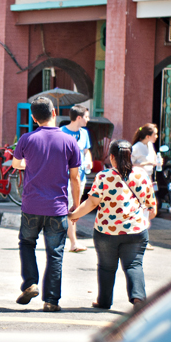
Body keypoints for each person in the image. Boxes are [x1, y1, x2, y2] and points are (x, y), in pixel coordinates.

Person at [12, 96, 82, 312]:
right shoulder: (70, 141)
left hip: (31, 205)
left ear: (33, 117)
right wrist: (76, 206)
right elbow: (75, 177)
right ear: (54, 114)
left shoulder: (27, 139)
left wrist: (29, 164)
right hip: (57, 207)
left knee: (27, 243)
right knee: (55, 253)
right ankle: (51, 301)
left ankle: (30, 283)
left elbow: (16, 164)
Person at [68, 140, 157, 310]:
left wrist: (74, 215)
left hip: (106, 231)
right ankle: (138, 299)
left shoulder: (104, 176)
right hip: (136, 230)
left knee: (106, 267)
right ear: (130, 156)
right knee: (134, 265)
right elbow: (152, 210)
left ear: (112, 157)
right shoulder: (141, 176)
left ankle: (104, 301)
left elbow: (92, 203)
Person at [61, 104, 92, 253]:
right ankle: (72, 242)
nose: (88, 119)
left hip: (80, 177)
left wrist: (89, 160)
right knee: (67, 208)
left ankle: (72, 242)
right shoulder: (61, 133)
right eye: (86, 116)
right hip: (65, 178)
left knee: (74, 208)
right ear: (78, 118)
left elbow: (86, 151)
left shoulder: (84, 133)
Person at [131, 123, 161, 250]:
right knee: (144, 210)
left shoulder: (150, 146)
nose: (157, 136)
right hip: (138, 180)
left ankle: (139, 237)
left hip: (149, 180)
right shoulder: (137, 147)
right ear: (148, 136)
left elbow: (154, 161)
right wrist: (146, 163)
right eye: (155, 134)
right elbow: (130, 164)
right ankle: (142, 239)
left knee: (150, 210)